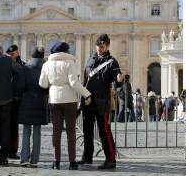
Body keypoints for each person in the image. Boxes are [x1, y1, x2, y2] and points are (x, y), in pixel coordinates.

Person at [39, 41, 91, 170]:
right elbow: (74, 83)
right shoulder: (70, 63)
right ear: (67, 51)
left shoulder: (46, 65)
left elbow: (43, 84)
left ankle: (56, 162)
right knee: (70, 131)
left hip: (54, 100)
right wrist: (87, 94)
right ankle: (72, 162)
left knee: (56, 131)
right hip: (69, 100)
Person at [78, 34, 123, 169]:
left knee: (104, 131)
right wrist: (82, 98)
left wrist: (119, 80)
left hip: (102, 102)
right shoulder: (91, 59)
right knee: (87, 130)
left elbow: (117, 80)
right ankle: (87, 156)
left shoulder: (112, 62)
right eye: (98, 46)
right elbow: (85, 81)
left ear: (108, 46)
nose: (99, 49)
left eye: (102, 47)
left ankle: (111, 159)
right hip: (88, 101)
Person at [18, 47, 49, 167]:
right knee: (37, 131)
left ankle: (24, 158)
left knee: (26, 131)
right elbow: (47, 87)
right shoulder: (46, 67)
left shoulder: (26, 67)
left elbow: (21, 86)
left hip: (27, 100)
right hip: (40, 100)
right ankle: (35, 159)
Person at [0, 44, 24, 159]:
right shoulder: (3, 64)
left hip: (15, 99)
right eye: (9, 54)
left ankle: (12, 150)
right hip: (3, 98)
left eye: (12, 54)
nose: (10, 56)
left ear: (17, 54)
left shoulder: (21, 65)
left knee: (13, 126)